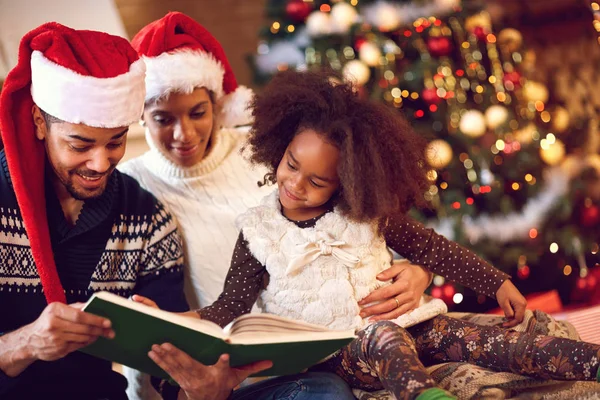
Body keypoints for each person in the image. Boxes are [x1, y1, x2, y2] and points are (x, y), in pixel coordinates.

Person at [136, 70, 600, 400]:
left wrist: (497, 283)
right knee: (381, 336)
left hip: (413, 327)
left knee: (479, 338)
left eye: (317, 182)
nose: (296, 184)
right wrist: (175, 322)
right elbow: (229, 306)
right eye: (291, 166)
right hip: (339, 356)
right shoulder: (258, 231)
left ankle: (588, 361)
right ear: (278, 149)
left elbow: (431, 247)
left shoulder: (364, 212)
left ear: (348, 181)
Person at [0, 23, 350, 400]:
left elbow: (170, 355)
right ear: (40, 123)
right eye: (79, 144)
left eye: (116, 142)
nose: (101, 163)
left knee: (323, 390)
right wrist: (24, 344)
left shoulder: (143, 214)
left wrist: (194, 390)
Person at [120, 12, 434, 400]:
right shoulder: (130, 186)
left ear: (217, 104)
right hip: (229, 366)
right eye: (162, 118)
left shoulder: (271, 151)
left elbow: (357, 217)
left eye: (197, 113)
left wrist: (419, 271)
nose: (184, 133)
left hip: (325, 339)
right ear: (139, 115)